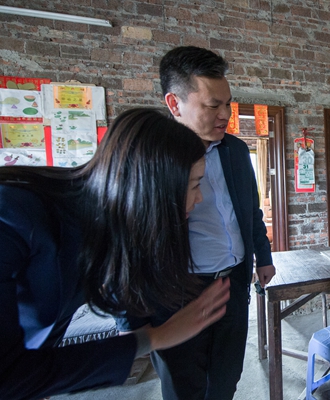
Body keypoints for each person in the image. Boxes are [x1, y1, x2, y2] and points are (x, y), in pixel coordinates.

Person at [0, 108, 231, 400]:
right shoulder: (14, 218)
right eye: (195, 184)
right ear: (154, 187)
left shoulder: (101, 227)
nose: (199, 198)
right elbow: (7, 376)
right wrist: (154, 338)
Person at [117, 46, 275, 400]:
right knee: (184, 387)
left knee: (227, 379)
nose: (226, 114)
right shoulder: (151, 158)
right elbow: (127, 242)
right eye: (212, 105)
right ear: (174, 104)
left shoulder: (236, 151)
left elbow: (250, 211)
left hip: (232, 285)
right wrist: (133, 324)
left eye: (228, 103)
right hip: (178, 295)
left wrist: (262, 257)